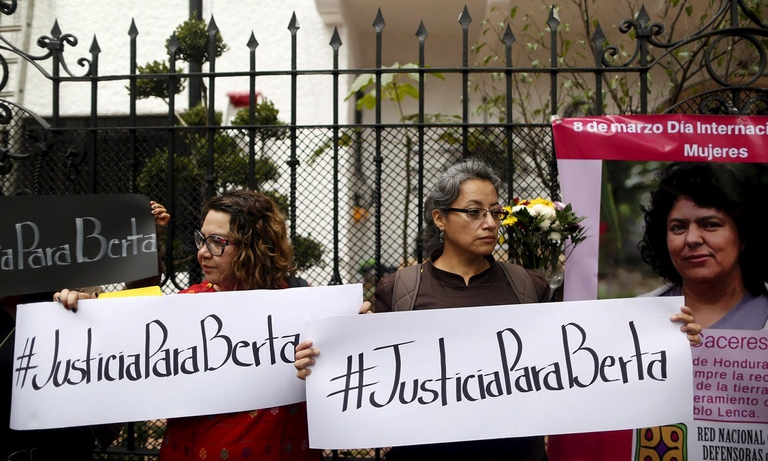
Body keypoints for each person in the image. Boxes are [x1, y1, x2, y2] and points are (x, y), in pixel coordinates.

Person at [298, 158, 552, 460]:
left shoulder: (527, 286)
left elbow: (553, 372)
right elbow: (375, 379)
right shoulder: (399, 290)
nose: (490, 223)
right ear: (440, 218)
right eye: (474, 212)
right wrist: (327, 360)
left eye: (495, 212)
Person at [58, 190, 321, 461]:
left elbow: (338, 385)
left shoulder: (305, 304)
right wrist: (84, 315)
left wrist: (330, 357)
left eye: (217, 242)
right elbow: (120, 352)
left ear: (255, 245)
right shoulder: (183, 306)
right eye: (202, 240)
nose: (202, 253)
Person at [547, 162, 767, 460]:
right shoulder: (631, 321)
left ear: (744, 235)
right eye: (678, 227)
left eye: (710, 224)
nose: (692, 239)